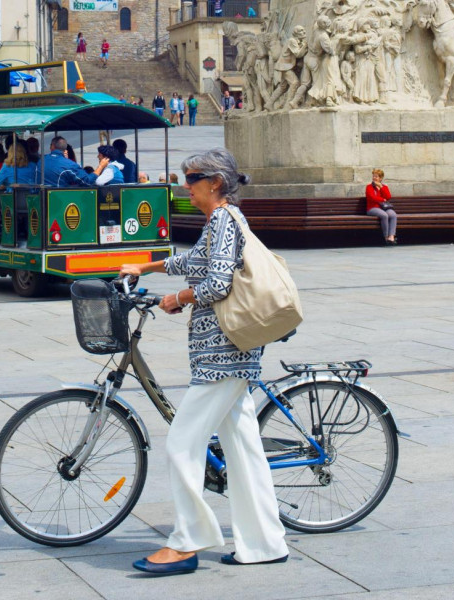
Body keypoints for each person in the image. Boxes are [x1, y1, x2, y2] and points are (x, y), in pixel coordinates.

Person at [119, 147, 289, 575]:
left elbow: (215, 282)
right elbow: (195, 261)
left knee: (182, 443)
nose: (184, 186)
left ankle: (187, 543)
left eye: (191, 178)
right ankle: (265, 543)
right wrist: (148, 266)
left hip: (224, 353)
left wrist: (177, 297)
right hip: (226, 351)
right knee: (243, 447)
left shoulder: (225, 220)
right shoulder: (221, 221)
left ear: (214, 183)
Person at [366, 168, 397, 244]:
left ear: (380, 178)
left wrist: (381, 187)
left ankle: (391, 237)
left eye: (376, 176)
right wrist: (383, 199)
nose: (374, 178)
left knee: (393, 214)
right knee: (384, 215)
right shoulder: (369, 187)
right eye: (373, 176)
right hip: (372, 208)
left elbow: (388, 197)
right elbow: (372, 198)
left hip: (384, 207)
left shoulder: (384, 187)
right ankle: (386, 237)